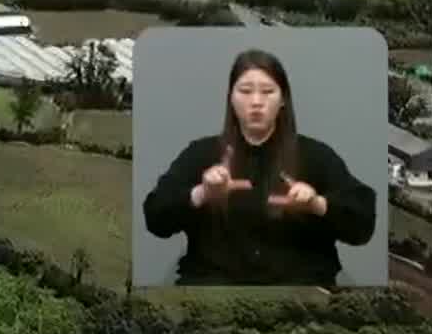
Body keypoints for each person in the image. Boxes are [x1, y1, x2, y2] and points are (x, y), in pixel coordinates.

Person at [143, 48, 376, 286]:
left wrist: (316, 205)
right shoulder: (201, 153)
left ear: (283, 99)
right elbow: (155, 217)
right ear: (231, 98)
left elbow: (363, 224)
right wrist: (201, 194)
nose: (256, 102)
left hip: (299, 289)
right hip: (212, 284)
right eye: (245, 91)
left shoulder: (317, 156)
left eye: (267, 92)